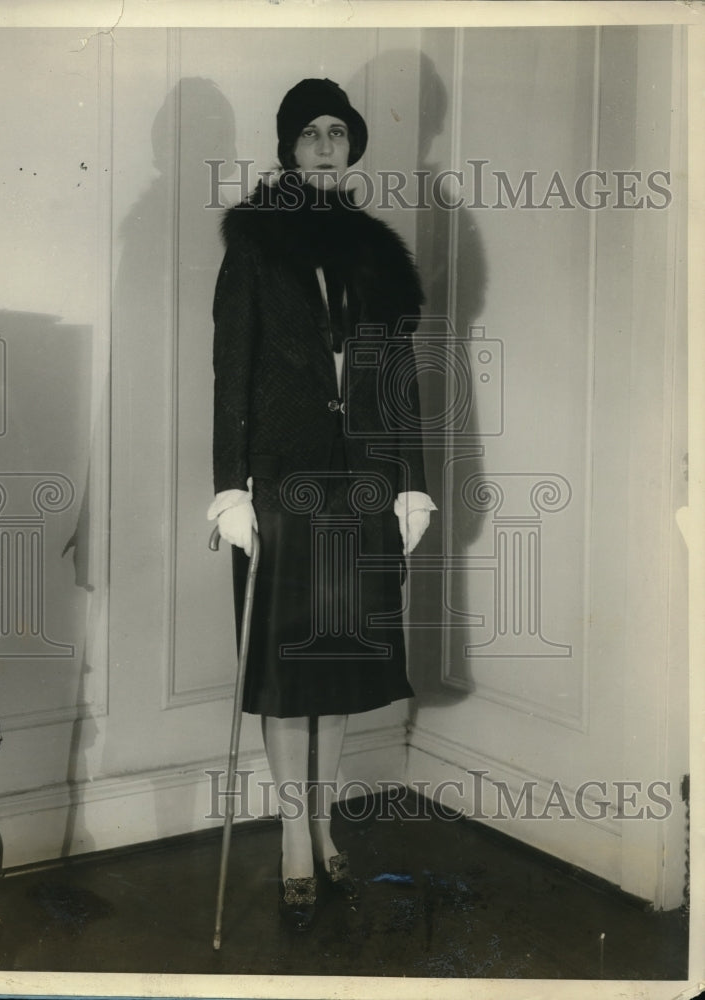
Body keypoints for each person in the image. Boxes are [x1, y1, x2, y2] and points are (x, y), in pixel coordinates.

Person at [207, 78, 436, 931]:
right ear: (287, 147)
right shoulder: (256, 246)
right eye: (310, 131)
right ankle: (293, 836)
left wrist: (410, 479)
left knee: (334, 662)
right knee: (283, 669)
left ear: (354, 145)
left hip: (362, 478)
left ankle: (327, 820)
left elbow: (396, 373)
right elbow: (231, 370)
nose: (327, 142)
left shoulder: (376, 252)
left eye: (339, 130)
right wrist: (230, 486)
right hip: (279, 480)